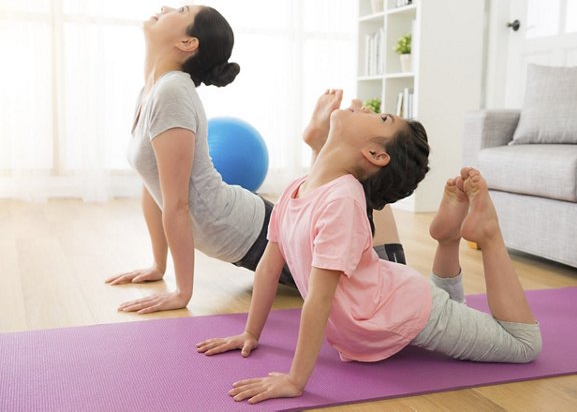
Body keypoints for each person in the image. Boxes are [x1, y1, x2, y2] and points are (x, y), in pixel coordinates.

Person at [195, 106, 542, 405]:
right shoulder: (295, 189)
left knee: (524, 345)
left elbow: (318, 299)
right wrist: (250, 333)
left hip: (405, 310)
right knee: (456, 310)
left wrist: (295, 381)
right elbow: (270, 267)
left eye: (382, 117)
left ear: (376, 154)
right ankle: (447, 240)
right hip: (383, 310)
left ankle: (489, 234)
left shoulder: (341, 201)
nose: (367, 110)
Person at [105, 4, 407, 313]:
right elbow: (152, 182)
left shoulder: (172, 93)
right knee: (338, 245)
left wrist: (183, 292)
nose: (166, 8)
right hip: (246, 225)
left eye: (180, 10)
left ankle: (326, 147)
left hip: (251, 231)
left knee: (381, 287)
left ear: (187, 42)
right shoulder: (152, 91)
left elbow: (178, 204)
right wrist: (158, 263)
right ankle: (321, 145)